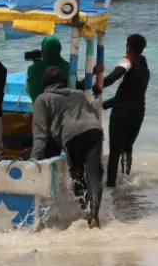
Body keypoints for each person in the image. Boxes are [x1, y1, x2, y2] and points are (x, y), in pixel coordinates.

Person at [32, 66, 104, 228]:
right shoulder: (78, 94)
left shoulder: (43, 99)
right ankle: (94, 214)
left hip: (71, 136)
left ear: (44, 83)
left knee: (78, 176)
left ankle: (87, 213)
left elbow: (40, 133)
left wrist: (34, 159)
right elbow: (92, 111)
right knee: (94, 174)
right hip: (94, 131)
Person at [100, 33, 151, 188]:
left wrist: (94, 86)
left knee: (115, 151)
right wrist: (103, 105)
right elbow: (128, 95)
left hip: (122, 113)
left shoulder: (127, 60)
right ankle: (126, 182)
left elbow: (114, 76)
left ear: (128, 47)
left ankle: (111, 186)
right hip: (138, 114)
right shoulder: (145, 68)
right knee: (127, 148)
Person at [26, 36, 68, 101]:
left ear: (43, 49)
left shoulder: (34, 68)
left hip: (40, 106)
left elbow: (32, 90)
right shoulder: (68, 66)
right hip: (64, 106)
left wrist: (36, 64)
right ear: (59, 48)